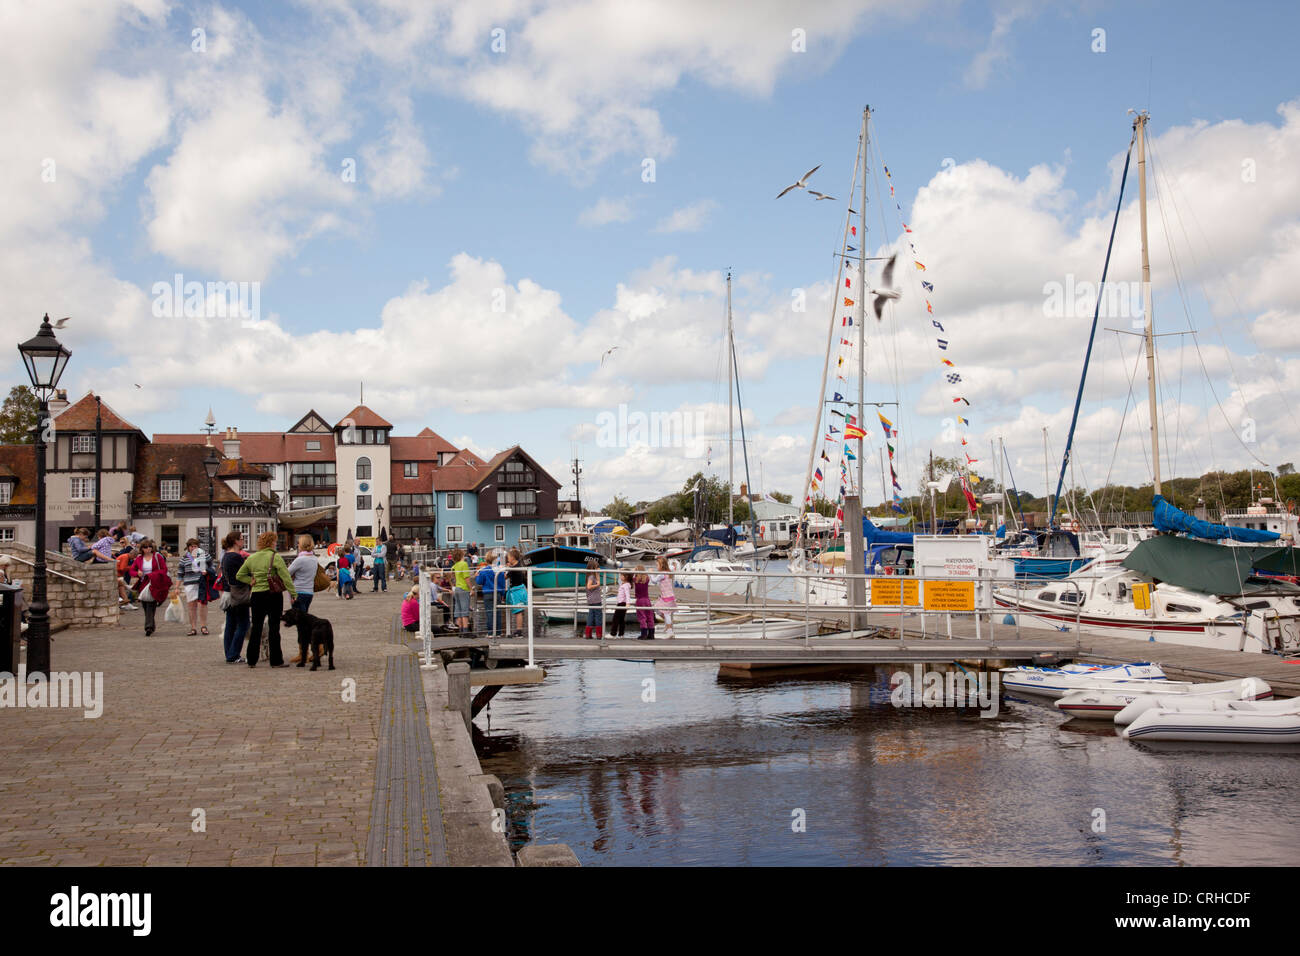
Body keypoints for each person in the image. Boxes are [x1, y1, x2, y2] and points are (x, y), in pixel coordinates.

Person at [236, 531, 296, 668]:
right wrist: (293, 593)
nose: (276, 543)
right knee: (274, 628)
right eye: (274, 541)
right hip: (273, 595)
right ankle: (276, 660)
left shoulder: (252, 558)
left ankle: (251, 659)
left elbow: (239, 575)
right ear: (271, 542)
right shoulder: (275, 557)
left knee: (256, 627)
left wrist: (250, 580)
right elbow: (285, 576)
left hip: (257, 595)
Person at [220, 530, 251, 664]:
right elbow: (242, 576)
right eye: (241, 539)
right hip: (239, 593)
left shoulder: (226, 556)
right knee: (243, 624)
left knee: (230, 625)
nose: (243, 541)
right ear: (235, 541)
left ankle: (229, 653)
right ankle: (233, 654)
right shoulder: (236, 557)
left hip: (228, 592)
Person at [129, 539, 170, 637]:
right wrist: (137, 573)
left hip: (154, 583)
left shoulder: (157, 557)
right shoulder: (139, 559)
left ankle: (148, 627)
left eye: (149, 547)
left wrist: (152, 575)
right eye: (145, 547)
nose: (148, 549)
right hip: (143, 584)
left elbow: (164, 569)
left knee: (151, 604)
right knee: (145, 605)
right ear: (142, 549)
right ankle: (151, 625)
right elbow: (131, 571)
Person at [179, 538, 210, 636]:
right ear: (188, 547)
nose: (193, 548)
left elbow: (212, 566)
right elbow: (180, 573)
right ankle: (193, 627)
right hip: (189, 584)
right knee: (191, 607)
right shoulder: (184, 558)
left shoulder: (205, 555)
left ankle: (203, 626)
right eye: (191, 546)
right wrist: (176, 587)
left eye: (195, 546)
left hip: (201, 583)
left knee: (202, 605)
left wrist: (207, 571)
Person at [287, 534, 318, 614]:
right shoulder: (314, 559)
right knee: (304, 618)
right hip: (309, 592)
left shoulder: (300, 560)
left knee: (300, 621)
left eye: (298, 543)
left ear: (301, 545)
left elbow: (287, 573)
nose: (297, 545)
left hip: (299, 591)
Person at [503, 548, 528, 638]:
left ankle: (519, 631)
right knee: (519, 611)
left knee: (518, 612)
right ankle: (518, 630)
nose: (508, 559)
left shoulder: (514, 568)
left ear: (513, 558)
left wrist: (505, 569)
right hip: (520, 589)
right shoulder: (519, 565)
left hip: (517, 591)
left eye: (508, 557)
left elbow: (505, 577)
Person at [651, 556, 677, 638]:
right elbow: (673, 567)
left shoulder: (662, 574)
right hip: (667, 597)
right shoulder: (668, 572)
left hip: (666, 597)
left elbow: (654, 581)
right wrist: (673, 565)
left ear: (661, 565)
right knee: (656, 608)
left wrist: (651, 573)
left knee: (666, 614)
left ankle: (670, 631)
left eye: (657, 565)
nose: (656, 567)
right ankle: (668, 623)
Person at [475, 552, 500, 635]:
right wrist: (503, 593)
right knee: (498, 612)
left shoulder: (484, 570)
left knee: (489, 613)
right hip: (498, 592)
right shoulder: (499, 570)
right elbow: (502, 582)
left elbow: (479, 582)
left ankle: (490, 633)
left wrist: (477, 576)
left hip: (487, 593)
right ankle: (498, 632)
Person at [450, 548, 471, 633]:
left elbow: (452, 578)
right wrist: (471, 589)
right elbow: (467, 578)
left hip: (457, 589)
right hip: (463, 588)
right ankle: (465, 630)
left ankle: (460, 630)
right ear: (462, 555)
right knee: (465, 609)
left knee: (458, 609)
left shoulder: (454, 566)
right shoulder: (464, 564)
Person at [583, 557, 604, 640]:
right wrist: (597, 585)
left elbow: (598, 581)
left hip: (592, 600)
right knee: (598, 616)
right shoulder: (591, 577)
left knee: (591, 616)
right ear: (593, 568)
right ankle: (599, 635)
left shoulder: (592, 576)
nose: (599, 568)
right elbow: (589, 586)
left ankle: (588, 634)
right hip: (596, 600)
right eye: (597, 567)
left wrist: (597, 574)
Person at [115, 544, 138, 610]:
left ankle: (126, 602)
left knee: (121, 588)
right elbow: (122, 568)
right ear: (132, 555)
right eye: (134, 557)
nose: (133, 559)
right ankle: (127, 587)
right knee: (121, 586)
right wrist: (132, 567)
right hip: (117, 575)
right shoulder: (125, 557)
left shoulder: (126, 556)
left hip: (118, 575)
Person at [634, 565, 653, 640]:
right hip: (647, 600)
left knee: (642, 617)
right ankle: (651, 634)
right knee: (649, 617)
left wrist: (633, 570)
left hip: (640, 600)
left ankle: (644, 634)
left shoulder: (635, 579)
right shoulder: (647, 579)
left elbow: (631, 575)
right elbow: (648, 575)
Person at [612, 571, 632, 638]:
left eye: (621, 575)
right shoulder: (624, 584)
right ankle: (621, 634)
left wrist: (628, 603)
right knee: (621, 620)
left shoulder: (626, 585)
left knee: (615, 619)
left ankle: (613, 634)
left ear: (626, 577)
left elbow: (627, 595)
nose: (620, 577)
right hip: (621, 603)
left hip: (622, 604)